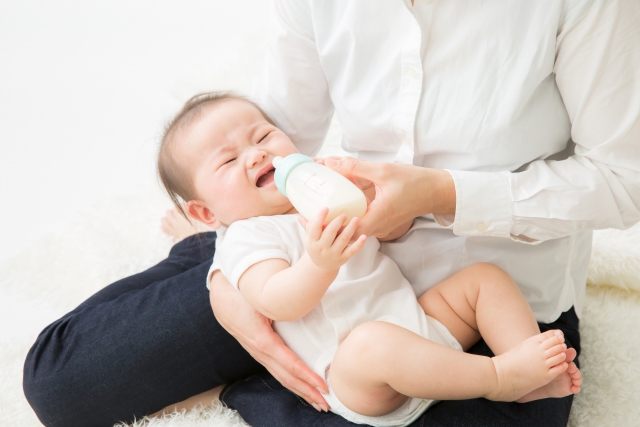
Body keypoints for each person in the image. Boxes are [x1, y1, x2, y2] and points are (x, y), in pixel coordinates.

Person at [23, 1, 638, 426]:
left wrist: (439, 196)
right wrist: (230, 283)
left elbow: (624, 181)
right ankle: (202, 247)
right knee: (62, 381)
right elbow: (274, 135)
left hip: (464, 309)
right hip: (311, 266)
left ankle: (247, 393)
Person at [157, 91, 581, 425]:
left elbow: (391, 230)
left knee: (484, 279)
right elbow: (274, 299)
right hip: (358, 376)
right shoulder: (247, 236)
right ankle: (500, 378)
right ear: (206, 213)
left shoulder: (319, 190)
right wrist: (319, 263)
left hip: (418, 324)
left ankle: (532, 370)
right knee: (370, 344)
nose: (257, 154)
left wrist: (376, 208)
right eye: (229, 160)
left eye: (264, 136)